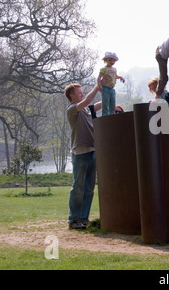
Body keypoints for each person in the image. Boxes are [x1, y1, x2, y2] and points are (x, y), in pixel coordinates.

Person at [64, 83, 102, 230]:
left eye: (82, 92)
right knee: (78, 188)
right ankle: (73, 220)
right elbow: (87, 100)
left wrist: (107, 89)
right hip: (80, 153)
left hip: (93, 151)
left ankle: (83, 219)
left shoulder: (86, 110)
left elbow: (99, 104)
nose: (81, 94)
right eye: (79, 93)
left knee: (89, 188)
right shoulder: (72, 110)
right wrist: (97, 86)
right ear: (71, 95)